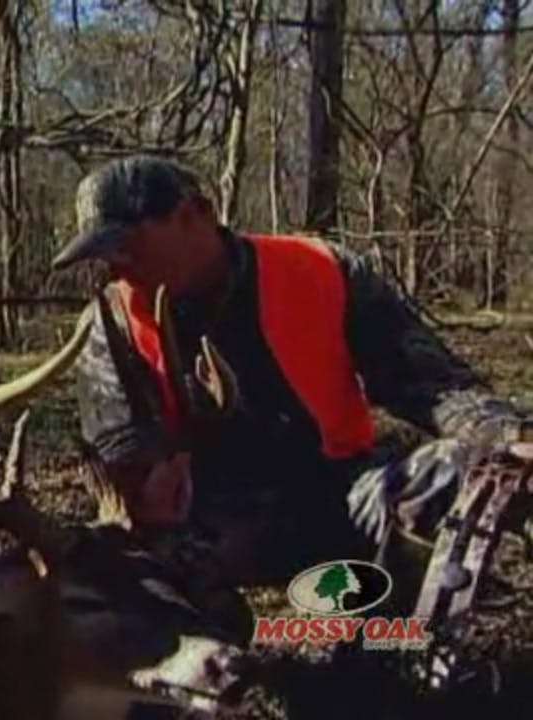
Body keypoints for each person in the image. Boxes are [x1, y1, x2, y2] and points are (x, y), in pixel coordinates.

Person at [51, 154, 532, 607]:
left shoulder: (319, 270)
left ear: (194, 213)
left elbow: (432, 382)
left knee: (458, 471)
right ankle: (216, 654)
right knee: (136, 563)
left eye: (126, 245)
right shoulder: (110, 326)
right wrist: (145, 488)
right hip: (215, 520)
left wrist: (510, 434)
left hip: (345, 494)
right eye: (106, 256)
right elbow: (116, 455)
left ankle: (389, 644)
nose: (117, 267)